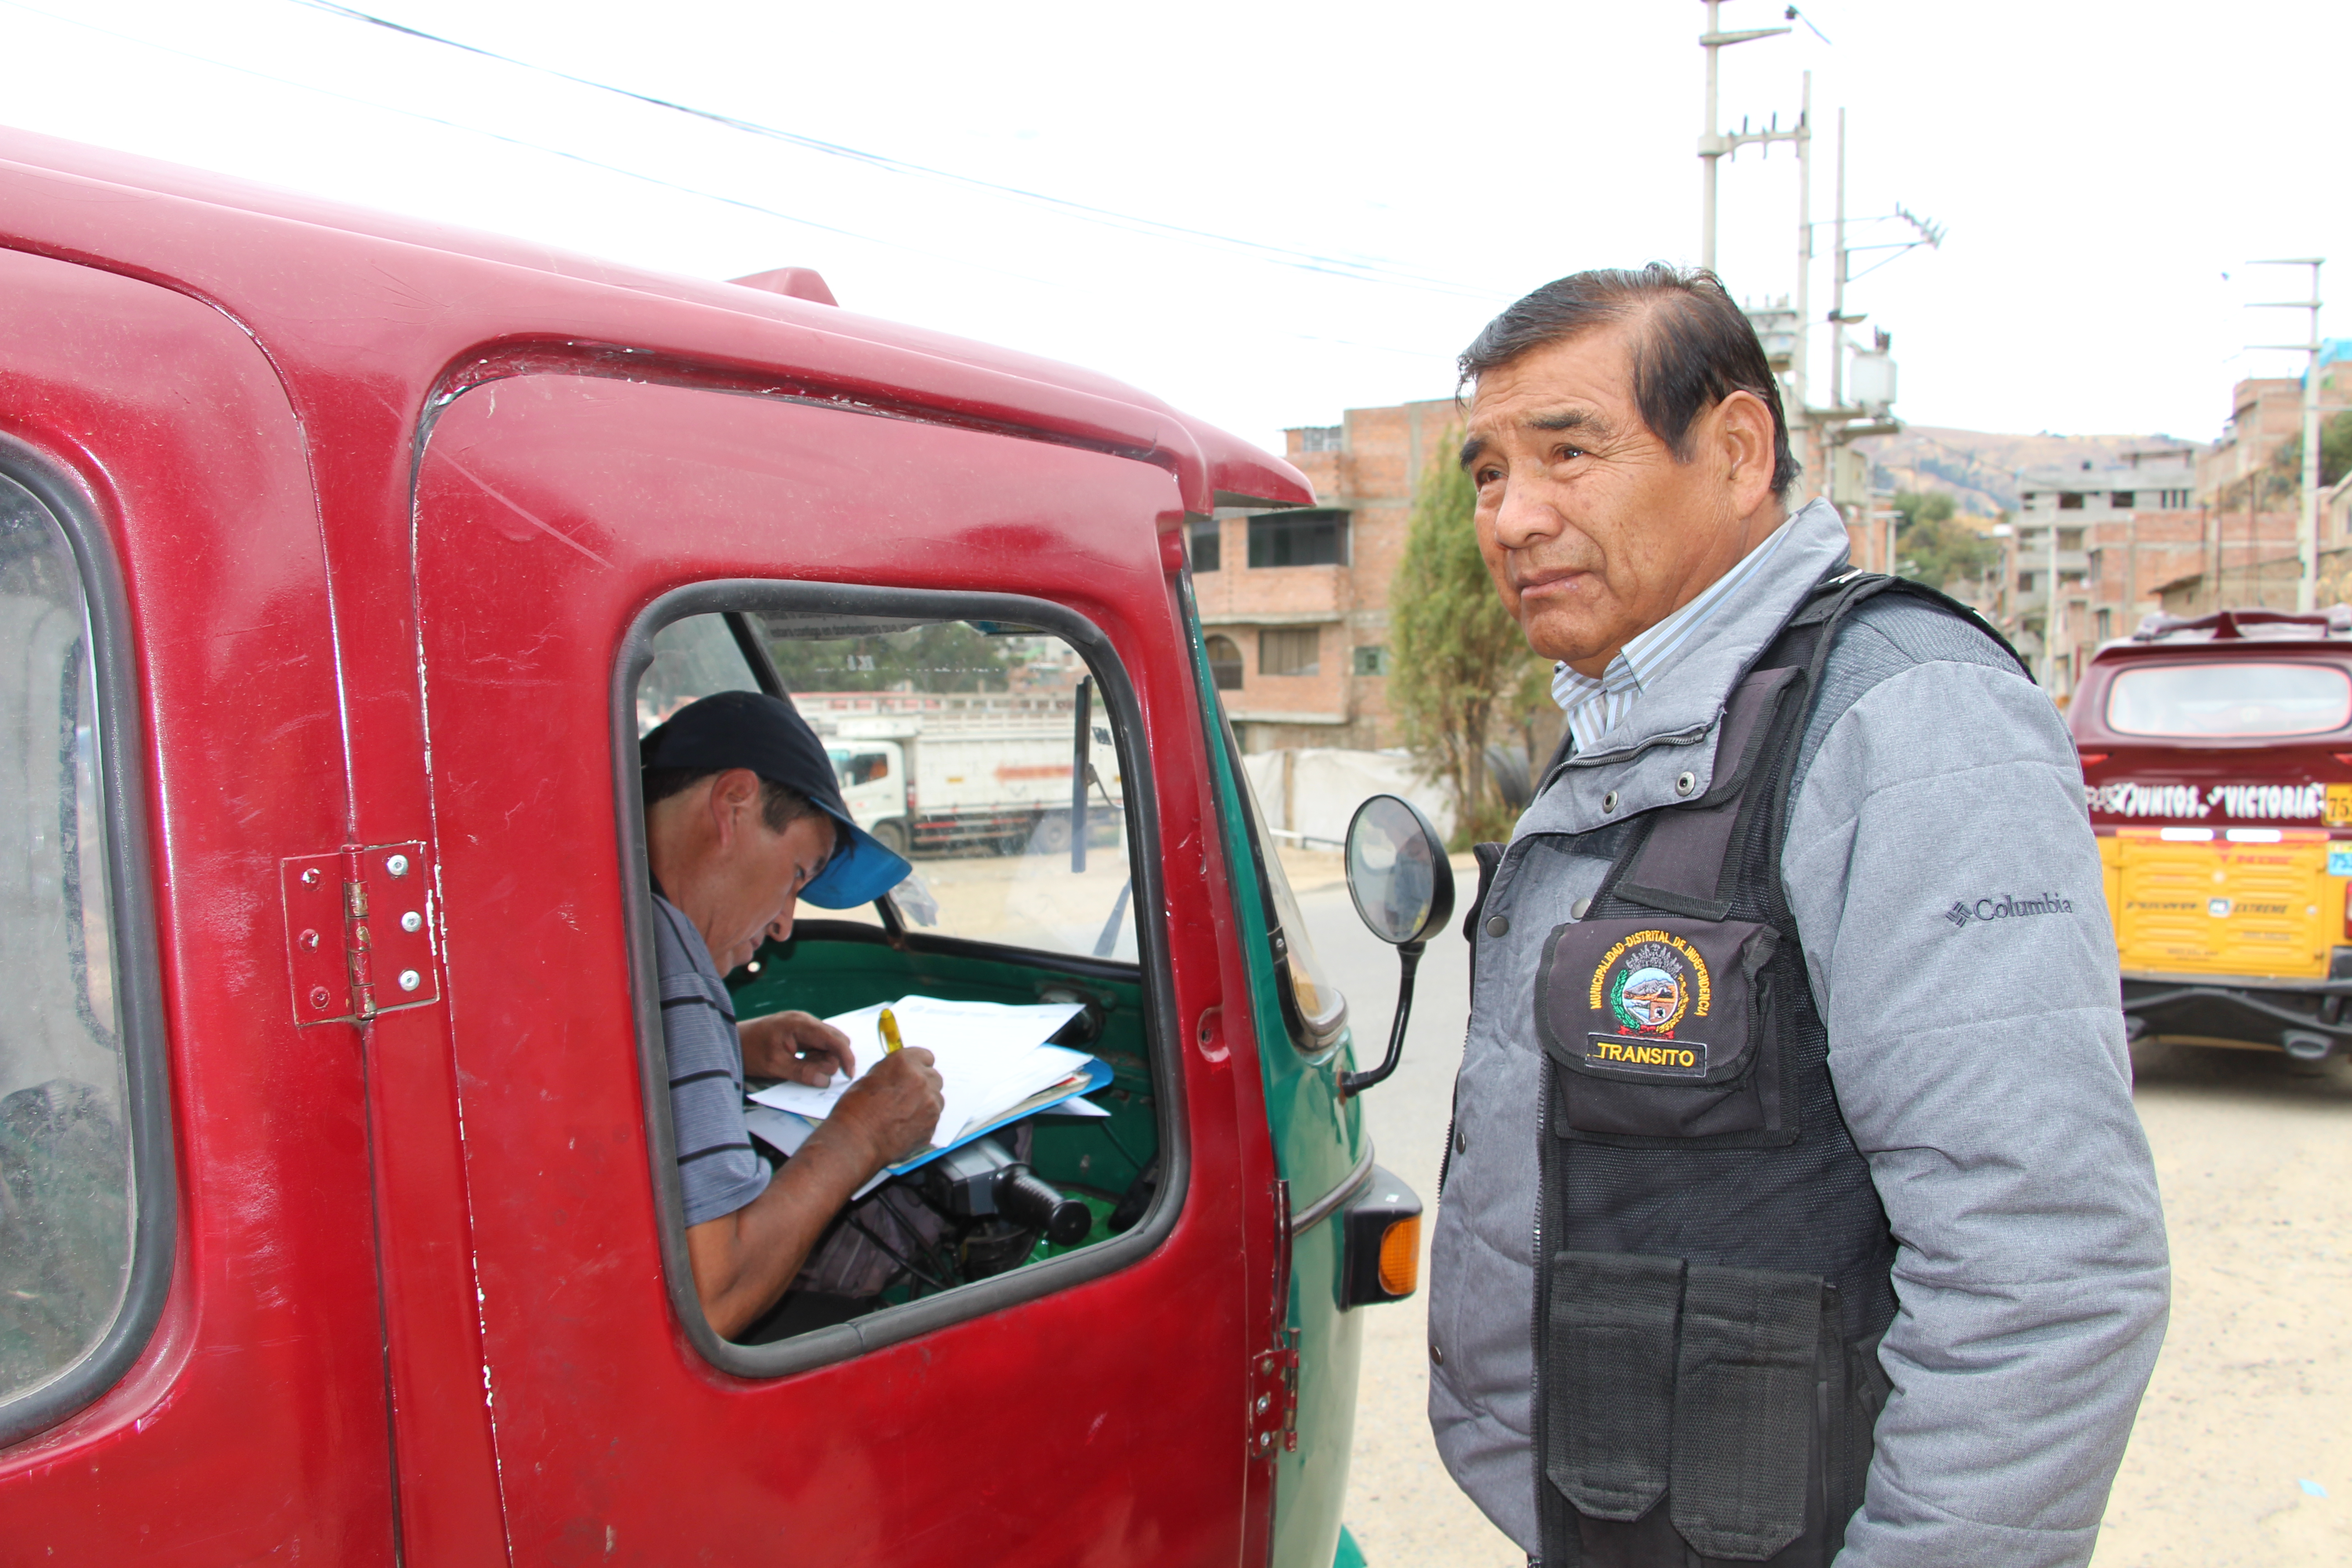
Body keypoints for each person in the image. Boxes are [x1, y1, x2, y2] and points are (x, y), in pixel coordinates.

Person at [1426, 266, 2169, 1567]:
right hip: (1622, 1516)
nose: (1514, 517)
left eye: (1568, 453)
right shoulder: (1631, 716)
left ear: (1735, 452)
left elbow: (2043, 1270)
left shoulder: (1906, 719)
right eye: (1488, 471)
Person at [639, 690, 945, 1340]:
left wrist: (735, 1045)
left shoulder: (605, 906)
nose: (783, 926)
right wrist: (859, 1136)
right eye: (796, 876)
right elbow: (711, 1297)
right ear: (734, 805)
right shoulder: (671, 962)